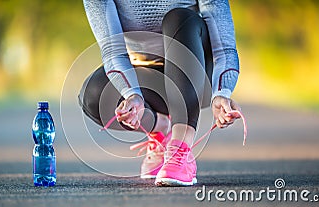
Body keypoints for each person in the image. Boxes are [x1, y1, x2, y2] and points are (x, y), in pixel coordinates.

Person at [79, 0, 241, 186]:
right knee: (93, 95)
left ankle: (180, 151)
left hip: (199, 75)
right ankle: (161, 129)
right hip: (149, 77)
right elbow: (113, 51)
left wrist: (222, 91)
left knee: (178, 18)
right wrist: (132, 94)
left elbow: (225, 48)